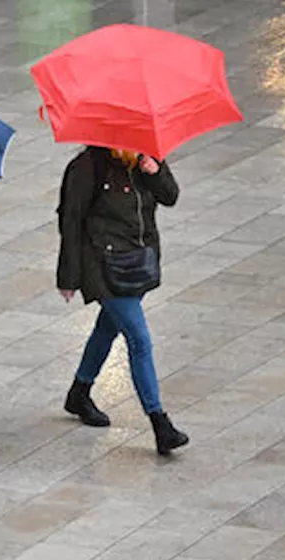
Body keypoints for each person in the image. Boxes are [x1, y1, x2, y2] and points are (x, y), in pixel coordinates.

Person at [57, 146, 188, 455]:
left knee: (107, 329)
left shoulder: (148, 154)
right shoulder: (88, 166)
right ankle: (160, 423)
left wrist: (154, 172)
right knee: (139, 339)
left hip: (138, 263)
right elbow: (71, 220)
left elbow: (170, 196)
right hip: (103, 265)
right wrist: (68, 276)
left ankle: (79, 392)